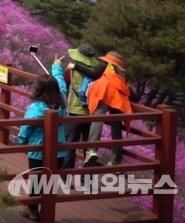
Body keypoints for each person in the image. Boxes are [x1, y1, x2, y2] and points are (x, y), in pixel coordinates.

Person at [17, 58, 68, 222]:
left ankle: (32, 209)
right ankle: (48, 210)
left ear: (39, 90)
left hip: (38, 150)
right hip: (58, 150)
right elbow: (61, 84)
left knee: (36, 179)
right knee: (51, 180)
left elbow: (26, 128)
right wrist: (56, 67)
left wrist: (21, 141)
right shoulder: (62, 103)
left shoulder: (36, 108)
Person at [80, 51, 132, 166]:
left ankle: (91, 150)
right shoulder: (122, 75)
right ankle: (116, 158)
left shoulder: (105, 66)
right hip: (118, 97)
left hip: (104, 90)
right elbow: (131, 92)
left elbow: (93, 74)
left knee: (98, 117)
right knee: (116, 125)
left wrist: (77, 66)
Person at [61, 44, 101, 168]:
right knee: (89, 149)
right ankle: (87, 180)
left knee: (70, 145)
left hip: (75, 111)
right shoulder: (98, 71)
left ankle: (65, 176)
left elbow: (65, 84)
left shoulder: (72, 70)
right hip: (92, 113)